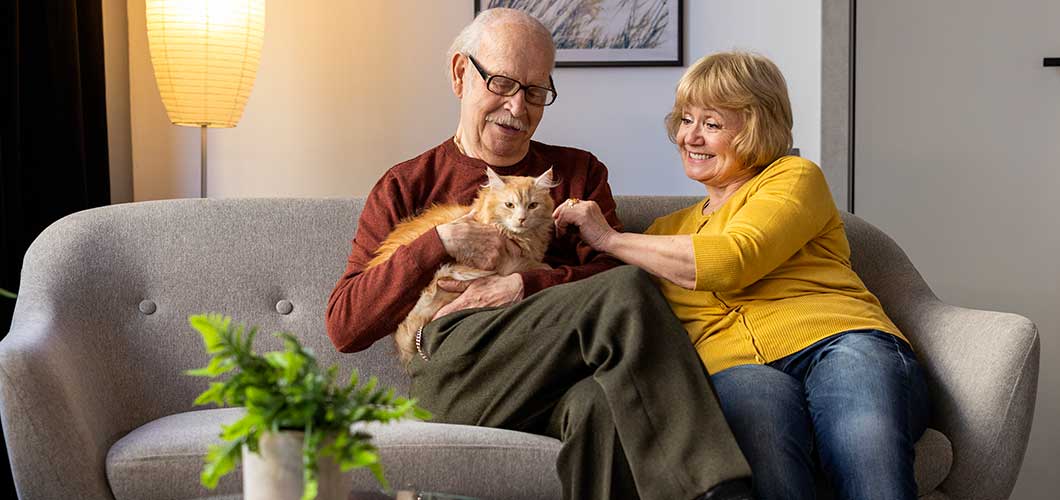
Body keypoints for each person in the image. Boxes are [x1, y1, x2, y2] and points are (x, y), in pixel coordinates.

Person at [325, 9, 754, 500]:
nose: (517, 106)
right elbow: (345, 326)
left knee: (602, 402)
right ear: (461, 74)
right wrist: (438, 243)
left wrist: (522, 285)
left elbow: (610, 274)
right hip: (455, 370)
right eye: (503, 83)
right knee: (626, 290)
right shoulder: (407, 183)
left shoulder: (577, 173)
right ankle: (723, 493)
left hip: (555, 375)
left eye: (534, 92)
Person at [554, 51, 931, 500]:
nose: (689, 136)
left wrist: (611, 239)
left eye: (711, 124)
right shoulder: (663, 233)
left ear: (755, 128)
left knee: (862, 444)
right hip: (737, 368)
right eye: (685, 119)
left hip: (838, 340)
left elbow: (734, 259)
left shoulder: (792, 177)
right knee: (761, 443)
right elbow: (601, 302)